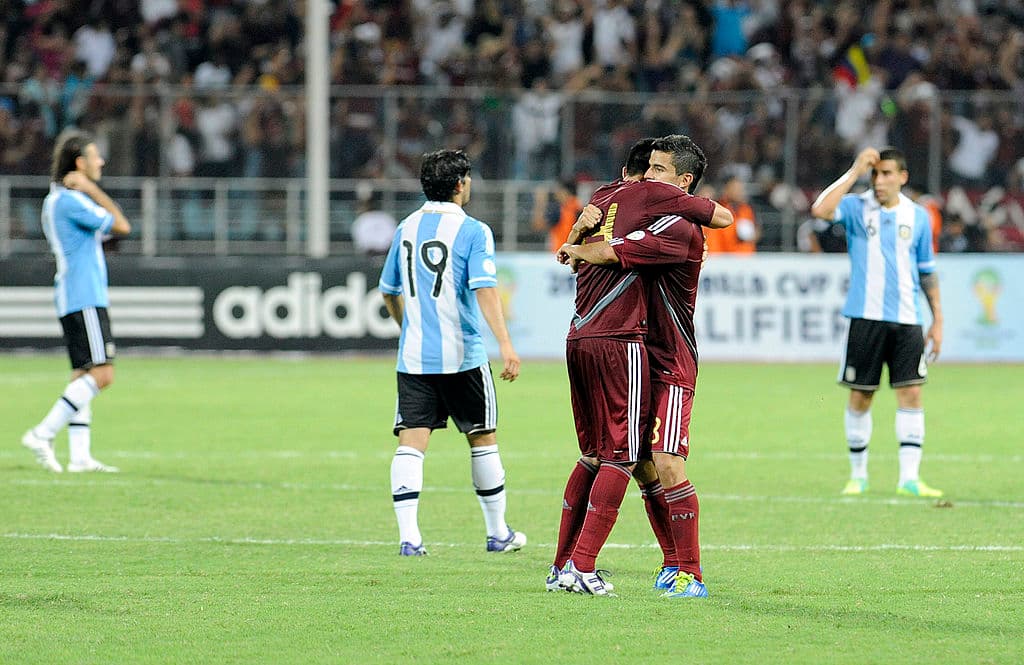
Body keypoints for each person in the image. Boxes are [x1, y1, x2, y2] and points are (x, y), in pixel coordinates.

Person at [549, 136, 731, 596]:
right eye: (646, 167)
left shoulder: (679, 229)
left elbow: (610, 253)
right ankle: (671, 563)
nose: (649, 177)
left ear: (683, 182)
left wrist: (579, 244)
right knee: (641, 466)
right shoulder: (636, 209)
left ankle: (691, 573)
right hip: (633, 356)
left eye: (659, 170)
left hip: (669, 363)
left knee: (666, 462)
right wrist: (579, 231)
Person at [377, 149, 525, 556]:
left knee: (411, 442)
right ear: (460, 184)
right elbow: (485, 288)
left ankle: (410, 538)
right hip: (464, 356)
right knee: (482, 438)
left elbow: (388, 290)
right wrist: (506, 343)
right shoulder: (474, 231)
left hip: (414, 357)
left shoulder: (405, 227)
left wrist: (407, 327)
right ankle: (498, 533)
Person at [810, 147, 944, 498]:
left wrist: (938, 321)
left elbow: (927, 271)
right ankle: (858, 476)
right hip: (865, 316)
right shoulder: (857, 206)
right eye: (876, 174)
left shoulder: (918, 216)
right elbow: (820, 210)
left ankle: (909, 479)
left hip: (907, 319)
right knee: (861, 397)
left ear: (903, 177)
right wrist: (854, 171)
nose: (880, 181)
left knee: (911, 393)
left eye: (887, 174)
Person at [21, 130, 131, 473]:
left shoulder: (56, 201)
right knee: (103, 374)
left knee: (81, 373)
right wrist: (93, 189)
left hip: (72, 294)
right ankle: (43, 432)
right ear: (80, 163)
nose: (101, 162)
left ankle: (80, 456)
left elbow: (107, 237)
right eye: (95, 156)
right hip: (85, 295)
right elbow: (123, 226)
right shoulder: (72, 200)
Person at [706, 175, 758, 253]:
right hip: (723, 257)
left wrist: (751, 235)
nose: (739, 192)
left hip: (746, 257)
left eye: (740, 189)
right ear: (726, 190)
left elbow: (757, 231)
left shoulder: (746, 209)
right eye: (735, 188)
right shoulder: (717, 209)